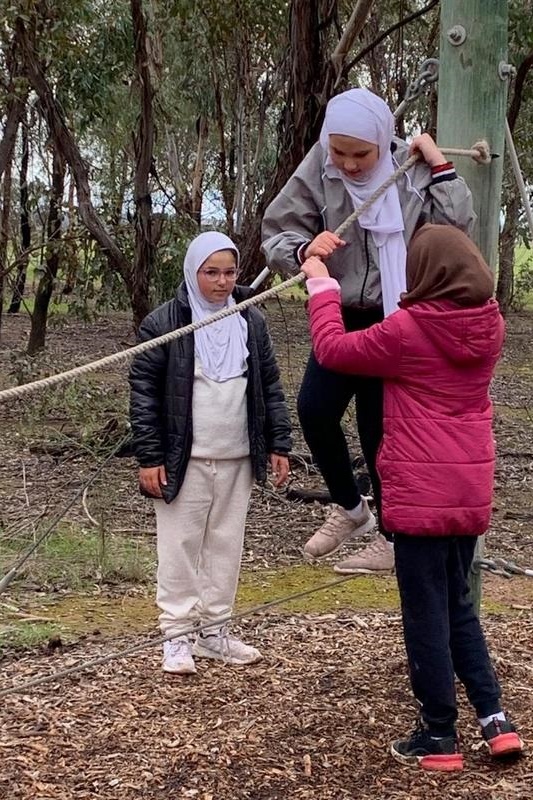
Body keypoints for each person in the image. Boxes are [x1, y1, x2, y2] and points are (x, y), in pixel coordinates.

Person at [300, 223, 523, 771]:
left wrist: (321, 287)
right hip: (467, 492)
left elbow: (333, 350)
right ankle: (495, 721)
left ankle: (439, 736)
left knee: (425, 614)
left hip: (421, 496)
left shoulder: (407, 331)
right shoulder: (490, 325)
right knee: (458, 607)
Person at [261, 87, 475, 574]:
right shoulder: (319, 165)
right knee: (314, 410)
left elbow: (457, 228)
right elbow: (277, 228)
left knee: (380, 429)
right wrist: (304, 250)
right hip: (342, 310)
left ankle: (389, 534)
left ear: (383, 141)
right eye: (341, 153)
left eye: (362, 154)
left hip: (400, 315)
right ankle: (351, 508)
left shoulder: (409, 165)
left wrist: (441, 166)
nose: (351, 164)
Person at [129, 231, 291, 675]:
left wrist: (279, 443)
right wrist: (149, 456)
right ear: (193, 271)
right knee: (180, 546)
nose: (222, 282)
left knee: (225, 545)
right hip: (184, 459)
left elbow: (270, 387)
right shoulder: (164, 323)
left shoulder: (249, 321)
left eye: (229, 272)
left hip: (238, 455)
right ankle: (177, 636)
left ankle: (215, 632)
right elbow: (144, 395)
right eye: (211, 273)